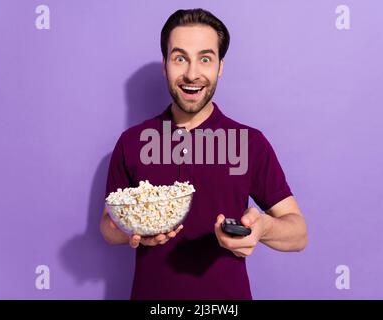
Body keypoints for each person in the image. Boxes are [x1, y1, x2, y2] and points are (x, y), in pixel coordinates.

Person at [100, 8, 307, 300]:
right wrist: (133, 231)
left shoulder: (249, 143)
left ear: (220, 66)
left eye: (205, 59)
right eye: (180, 58)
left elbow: (298, 233)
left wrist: (264, 228)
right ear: (165, 65)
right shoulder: (132, 142)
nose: (192, 74)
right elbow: (108, 227)